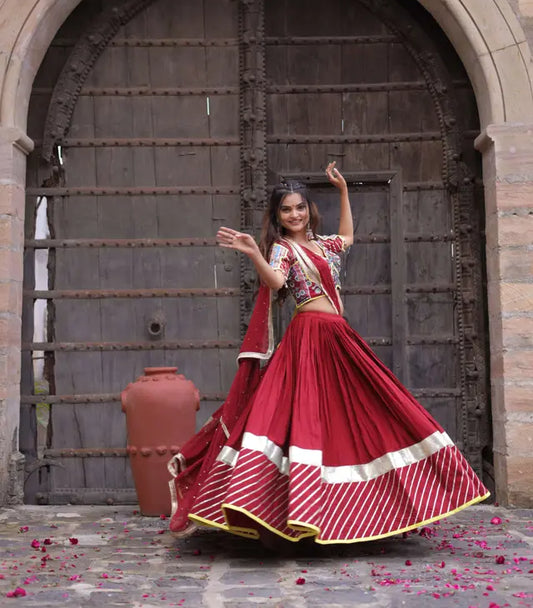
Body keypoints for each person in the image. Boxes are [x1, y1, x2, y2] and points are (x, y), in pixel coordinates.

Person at [168, 162, 489, 544]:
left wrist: (344, 192)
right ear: (277, 216)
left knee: (366, 408)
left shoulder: (322, 244)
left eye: (299, 208)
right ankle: (294, 509)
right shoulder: (283, 250)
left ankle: (362, 507)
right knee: (302, 418)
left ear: (308, 210)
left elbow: (349, 238)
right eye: (286, 210)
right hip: (308, 338)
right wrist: (255, 252)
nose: (295, 215)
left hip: (338, 336)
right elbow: (276, 281)